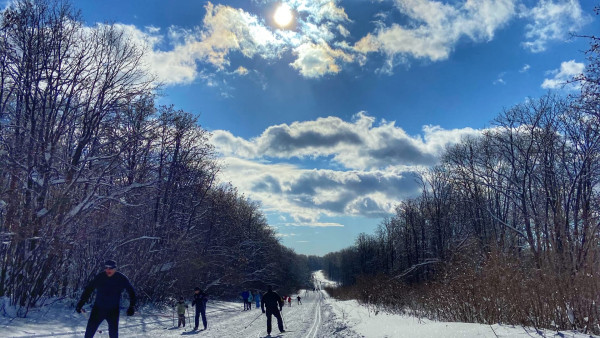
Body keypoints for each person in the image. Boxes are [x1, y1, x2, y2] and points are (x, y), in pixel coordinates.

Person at [76, 260, 136, 338]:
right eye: (106, 268)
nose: (108, 270)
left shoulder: (121, 278)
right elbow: (88, 289)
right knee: (89, 333)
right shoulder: (100, 277)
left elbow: (132, 292)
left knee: (113, 334)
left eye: (110, 268)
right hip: (98, 309)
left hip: (113, 311)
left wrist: (132, 306)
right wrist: (81, 303)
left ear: (115, 269)